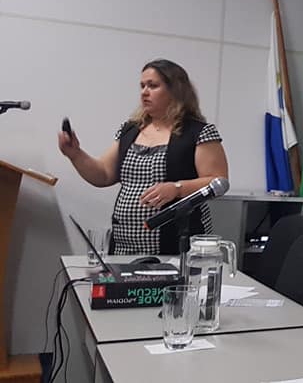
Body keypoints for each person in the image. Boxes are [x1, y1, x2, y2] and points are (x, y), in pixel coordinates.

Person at [58, 59, 228, 255]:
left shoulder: (198, 132)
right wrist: (75, 154)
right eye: (142, 86)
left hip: (174, 244)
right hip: (124, 246)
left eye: (153, 86)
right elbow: (103, 175)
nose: (144, 92)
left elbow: (218, 182)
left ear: (176, 90)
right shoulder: (130, 129)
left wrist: (177, 188)